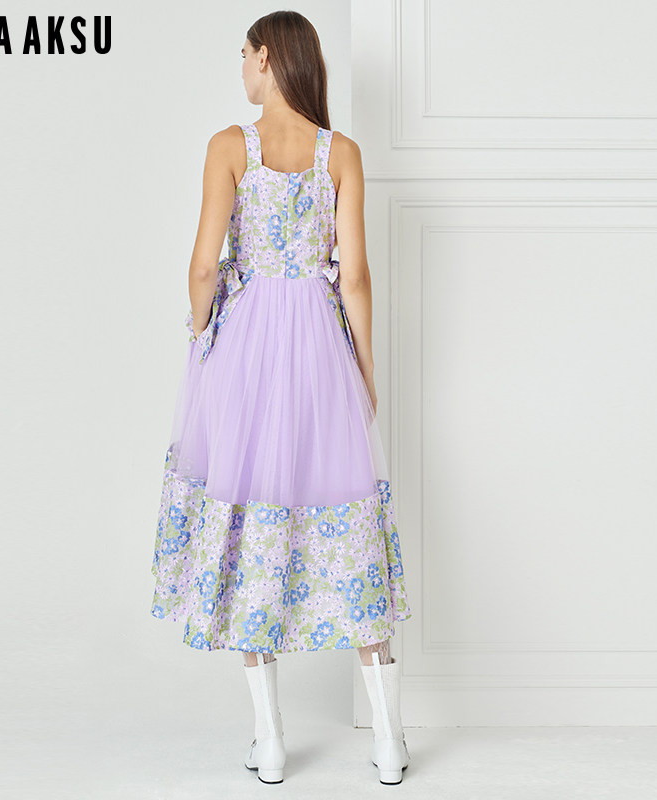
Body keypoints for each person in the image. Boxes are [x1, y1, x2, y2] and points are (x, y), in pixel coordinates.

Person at [149, 10, 413, 786]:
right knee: (349, 521)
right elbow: (354, 276)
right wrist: (364, 369)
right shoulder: (342, 153)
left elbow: (204, 265)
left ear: (267, 59)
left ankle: (269, 741)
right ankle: (390, 742)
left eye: (244, 55)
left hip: (248, 351)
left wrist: (201, 331)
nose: (241, 68)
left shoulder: (230, 146)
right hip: (322, 350)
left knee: (250, 524)